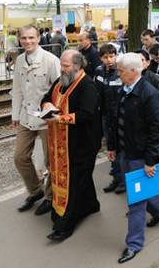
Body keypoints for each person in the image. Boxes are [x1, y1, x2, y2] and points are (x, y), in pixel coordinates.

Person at [107, 53, 159, 264]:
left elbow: (157, 130)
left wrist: (150, 160)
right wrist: (113, 147)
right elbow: (116, 120)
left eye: (121, 70)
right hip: (126, 152)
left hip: (140, 156)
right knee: (142, 192)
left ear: (133, 71)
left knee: (135, 202)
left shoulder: (149, 94)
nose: (118, 73)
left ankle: (134, 244)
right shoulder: (122, 91)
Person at [39, 50, 102, 241]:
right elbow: (46, 98)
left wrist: (60, 118)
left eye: (66, 66)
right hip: (62, 143)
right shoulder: (61, 82)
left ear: (77, 66)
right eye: (62, 65)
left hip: (82, 144)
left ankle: (65, 225)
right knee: (80, 178)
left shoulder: (87, 85)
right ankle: (91, 204)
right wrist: (46, 107)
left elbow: (86, 114)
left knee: (74, 182)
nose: (62, 70)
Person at [11, 25, 61, 215]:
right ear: (20, 40)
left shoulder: (51, 61)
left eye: (31, 37)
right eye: (24, 38)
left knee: (50, 161)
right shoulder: (19, 61)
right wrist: (15, 115)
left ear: (39, 38)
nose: (28, 41)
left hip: (47, 120)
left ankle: (50, 197)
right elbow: (16, 90)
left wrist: (55, 116)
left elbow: (60, 91)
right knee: (20, 157)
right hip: (26, 117)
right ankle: (36, 191)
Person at [94, 43, 124, 194]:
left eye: (112, 56)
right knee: (111, 147)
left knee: (120, 148)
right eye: (106, 57)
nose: (109, 60)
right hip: (105, 114)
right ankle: (116, 177)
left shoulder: (120, 72)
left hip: (119, 116)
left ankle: (123, 179)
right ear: (101, 58)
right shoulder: (99, 71)